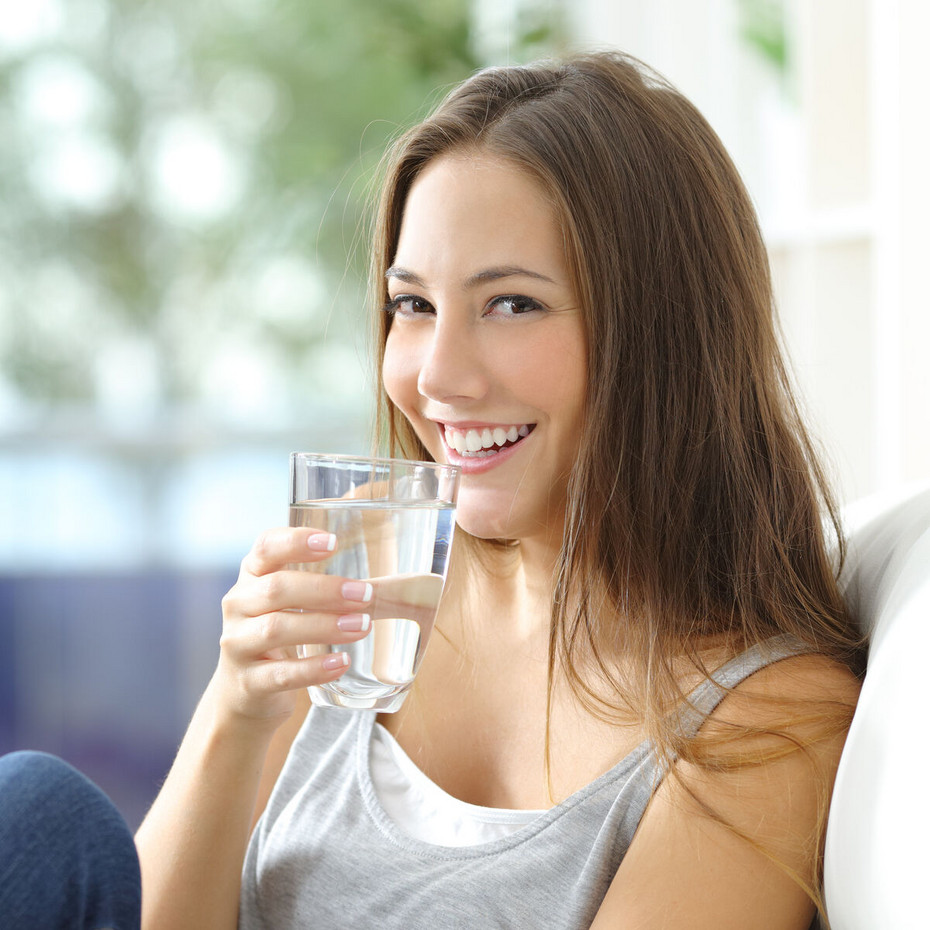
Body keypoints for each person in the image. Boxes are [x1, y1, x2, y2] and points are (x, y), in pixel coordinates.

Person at [5, 50, 863, 929]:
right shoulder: (364, 595)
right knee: (35, 817)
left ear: (664, 338)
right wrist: (237, 704)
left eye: (512, 305)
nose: (438, 377)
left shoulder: (765, 718)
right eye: (412, 306)